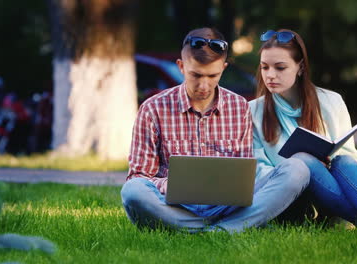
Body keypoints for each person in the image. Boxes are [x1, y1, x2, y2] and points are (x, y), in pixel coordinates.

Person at [121, 28, 310, 233]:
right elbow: (139, 176)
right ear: (181, 67)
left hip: (228, 205)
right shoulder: (152, 108)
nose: (204, 85)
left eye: (213, 75)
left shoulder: (239, 107)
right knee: (133, 191)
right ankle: (232, 228)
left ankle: (204, 229)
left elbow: (245, 173)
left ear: (224, 68)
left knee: (296, 170)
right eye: (196, 75)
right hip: (175, 205)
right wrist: (177, 186)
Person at [249, 29, 357, 245]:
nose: (270, 75)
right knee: (304, 161)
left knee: (343, 160)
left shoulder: (331, 101)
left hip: (327, 191)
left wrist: (323, 164)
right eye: (265, 67)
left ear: (300, 67)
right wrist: (296, 170)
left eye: (280, 67)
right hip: (287, 198)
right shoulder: (252, 111)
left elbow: (351, 161)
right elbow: (258, 168)